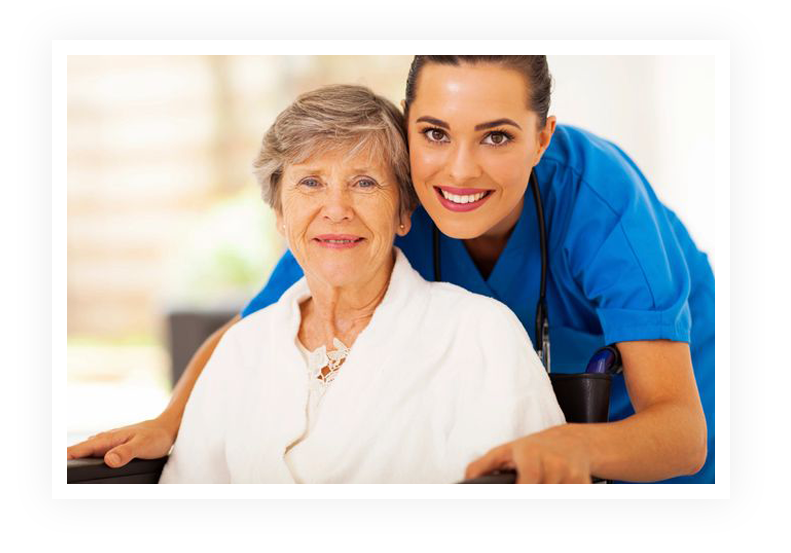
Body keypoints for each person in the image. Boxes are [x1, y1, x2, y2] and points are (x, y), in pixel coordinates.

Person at [69, 56, 714, 484]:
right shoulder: (389, 192)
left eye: (496, 136)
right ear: (409, 129)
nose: (459, 170)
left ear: (542, 138)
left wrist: (578, 446)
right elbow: (252, 329)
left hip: (656, 404)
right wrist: (167, 421)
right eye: (435, 132)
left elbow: (684, 432)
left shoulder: (600, 205)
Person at [153, 84, 564, 483]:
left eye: (365, 183)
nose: (336, 209)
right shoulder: (241, 349)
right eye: (311, 182)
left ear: (404, 213)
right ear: (279, 214)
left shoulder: (480, 333)